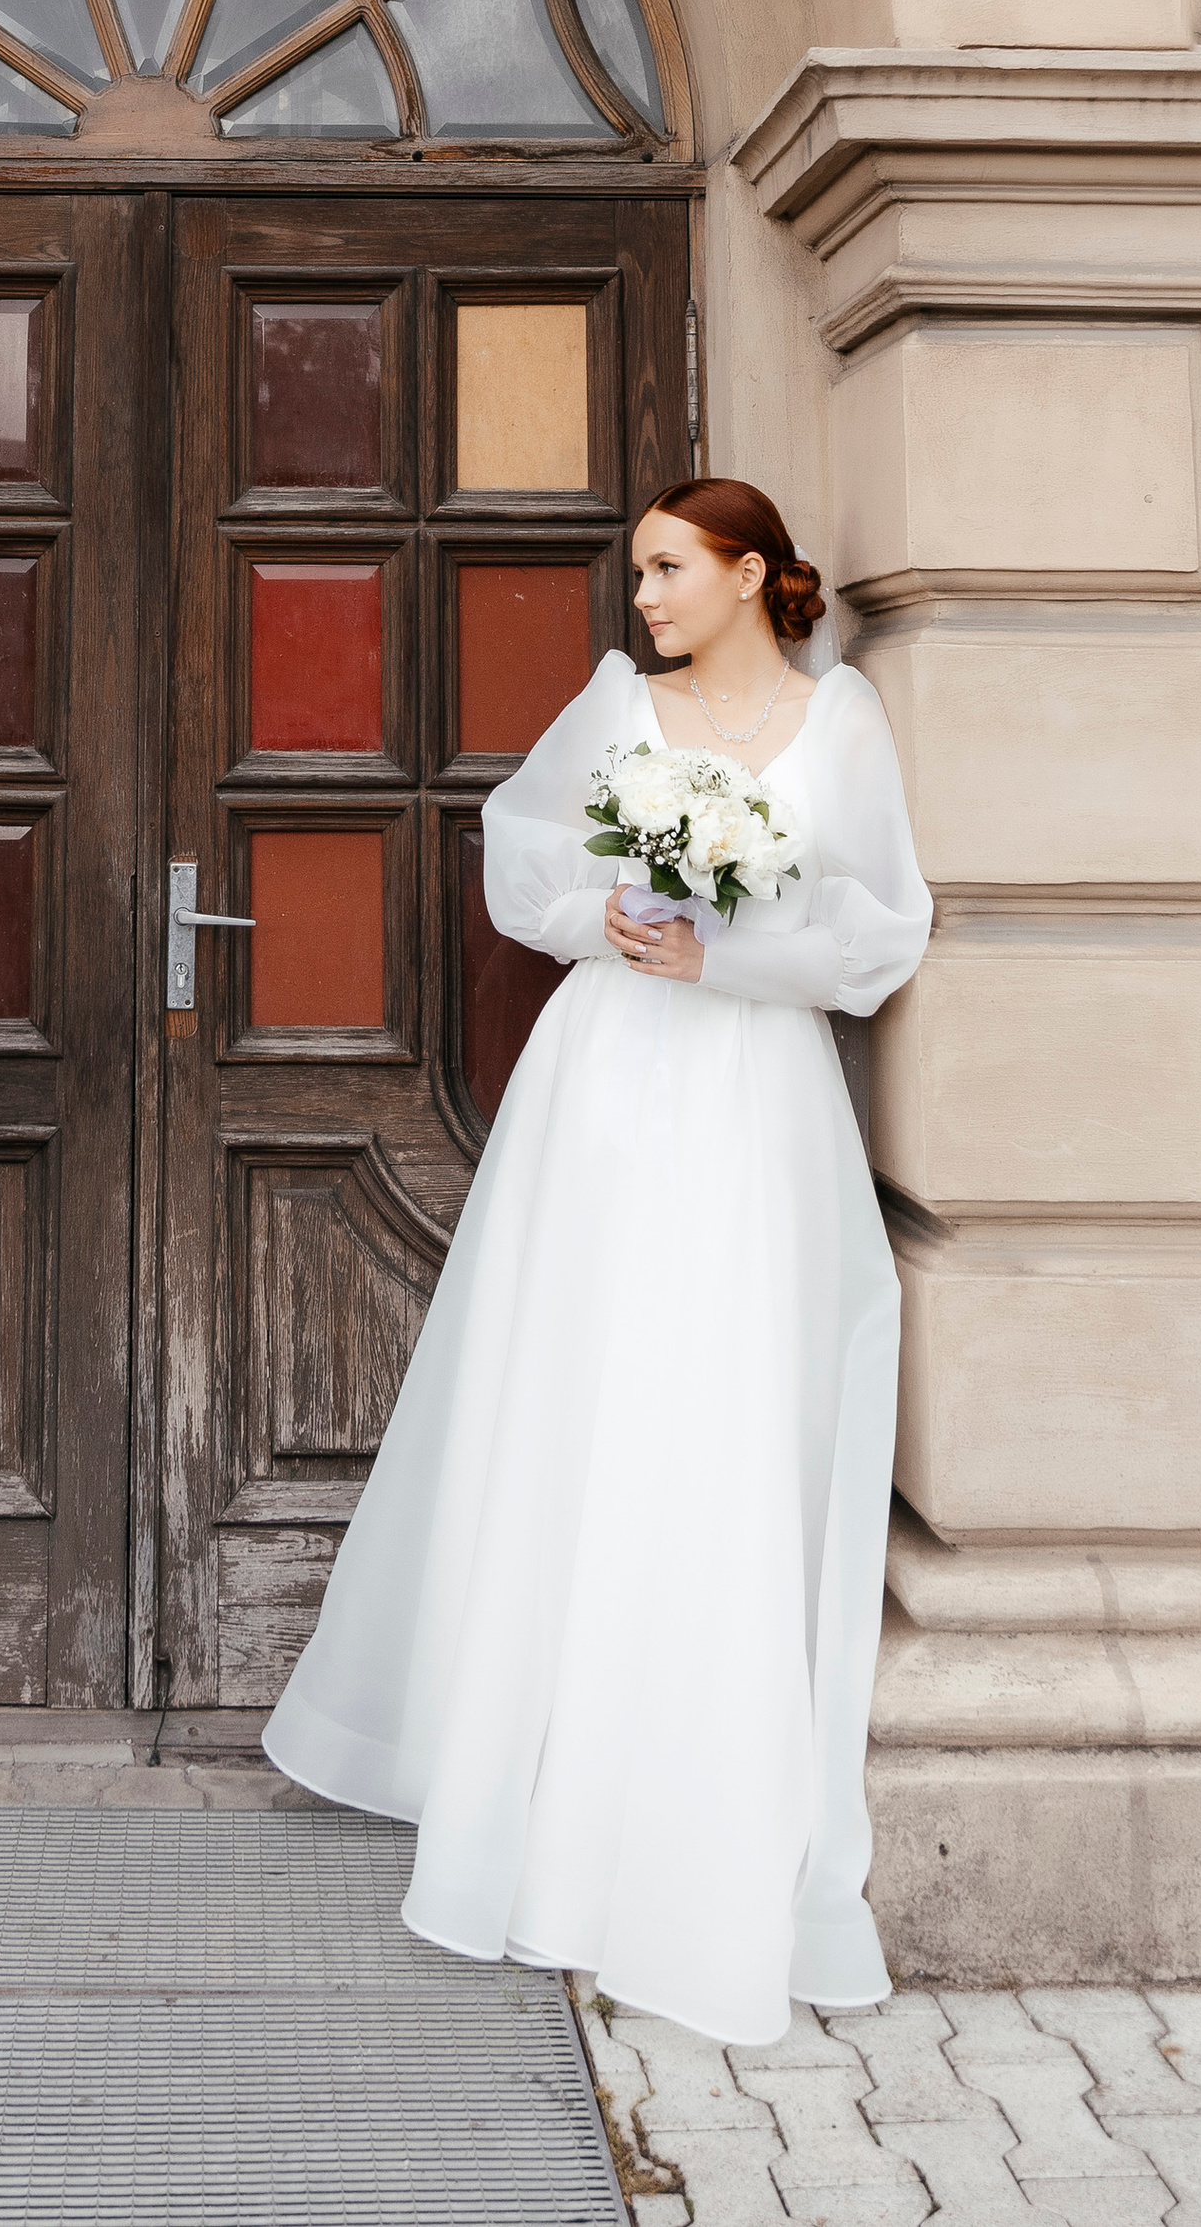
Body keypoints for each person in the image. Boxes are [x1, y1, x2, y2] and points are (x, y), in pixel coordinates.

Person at [262, 476, 930, 2049]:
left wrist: (730, 950)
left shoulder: (844, 724)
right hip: (610, 1083)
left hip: (754, 1090)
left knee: (726, 1404)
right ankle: (535, 1776)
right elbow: (522, 856)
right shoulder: (621, 701)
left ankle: (691, 1792)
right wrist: (617, 918)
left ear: (752, 573)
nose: (641, 597)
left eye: (667, 569)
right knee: (585, 1393)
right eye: (637, 571)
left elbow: (880, 926)